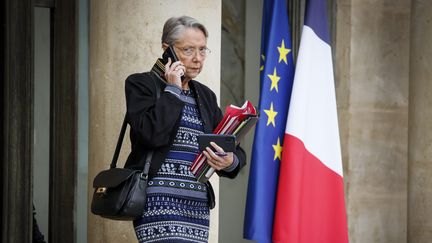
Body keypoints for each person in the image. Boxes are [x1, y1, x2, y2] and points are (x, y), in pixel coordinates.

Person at [124, 16, 246, 242]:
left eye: (202, 50)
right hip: (156, 201)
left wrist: (231, 161)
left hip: (196, 206)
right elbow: (151, 134)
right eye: (188, 50)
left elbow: (232, 145)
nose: (198, 59)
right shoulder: (141, 85)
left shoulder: (206, 96)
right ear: (166, 49)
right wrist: (173, 89)